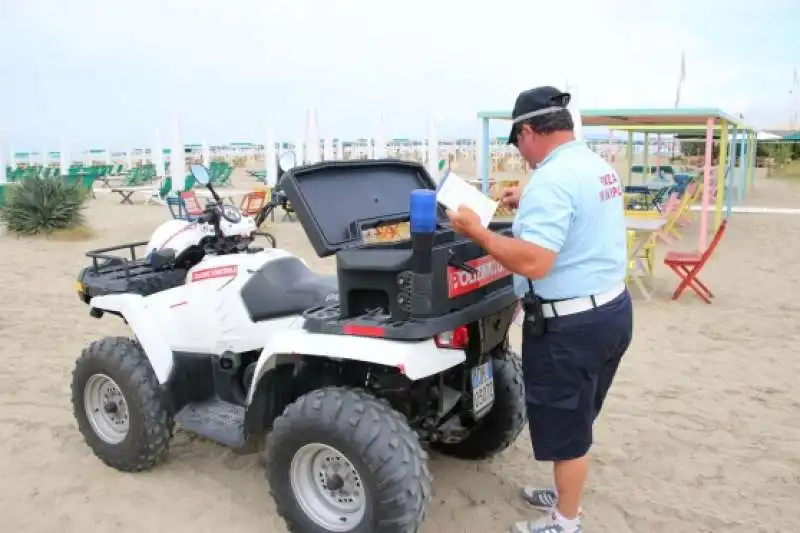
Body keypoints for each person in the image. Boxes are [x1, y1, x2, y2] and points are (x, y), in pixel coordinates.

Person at [446, 86, 633, 533]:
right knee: (578, 413)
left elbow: (534, 261)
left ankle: (565, 522)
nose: (521, 153)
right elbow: (573, 217)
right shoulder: (592, 164)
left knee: (567, 424)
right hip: (611, 310)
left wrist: (478, 231)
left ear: (528, 131)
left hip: (570, 326)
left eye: (517, 143)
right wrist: (525, 200)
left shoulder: (553, 179)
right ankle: (565, 493)